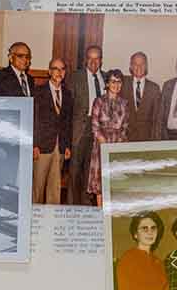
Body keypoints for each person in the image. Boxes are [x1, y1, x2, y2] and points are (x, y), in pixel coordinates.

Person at [67, 45, 106, 206]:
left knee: (90, 171)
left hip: (99, 130)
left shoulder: (106, 77)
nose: (93, 62)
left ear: (101, 61)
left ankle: (85, 205)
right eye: (90, 58)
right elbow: (68, 107)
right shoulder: (75, 77)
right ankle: (70, 206)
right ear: (85, 60)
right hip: (80, 129)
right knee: (75, 171)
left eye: (97, 58)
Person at [32, 58, 73, 204]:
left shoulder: (68, 94)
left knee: (55, 189)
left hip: (60, 147)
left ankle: (51, 221)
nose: (59, 72)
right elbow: (34, 119)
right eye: (55, 68)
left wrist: (67, 145)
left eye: (62, 69)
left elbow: (67, 122)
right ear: (49, 71)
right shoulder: (38, 92)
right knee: (37, 187)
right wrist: (34, 144)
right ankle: (34, 221)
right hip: (42, 147)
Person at [86, 69, 129, 207]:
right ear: (107, 83)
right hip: (101, 145)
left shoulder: (124, 103)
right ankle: (100, 213)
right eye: (113, 81)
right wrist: (105, 145)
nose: (116, 85)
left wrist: (117, 146)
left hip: (118, 145)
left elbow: (124, 128)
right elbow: (94, 127)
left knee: (114, 182)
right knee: (100, 183)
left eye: (119, 82)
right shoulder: (98, 101)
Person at [115, 212, 169, 290]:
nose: (150, 232)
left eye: (153, 228)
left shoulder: (159, 262)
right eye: (144, 228)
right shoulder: (128, 259)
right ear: (135, 234)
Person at [121, 52, 162, 142]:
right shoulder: (122, 84)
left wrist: (156, 141)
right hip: (125, 139)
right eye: (135, 64)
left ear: (146, 66)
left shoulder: (154, 88)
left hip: (146, 139)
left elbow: (157, 119)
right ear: (131, 66)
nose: (138, 67)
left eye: (142, 64)